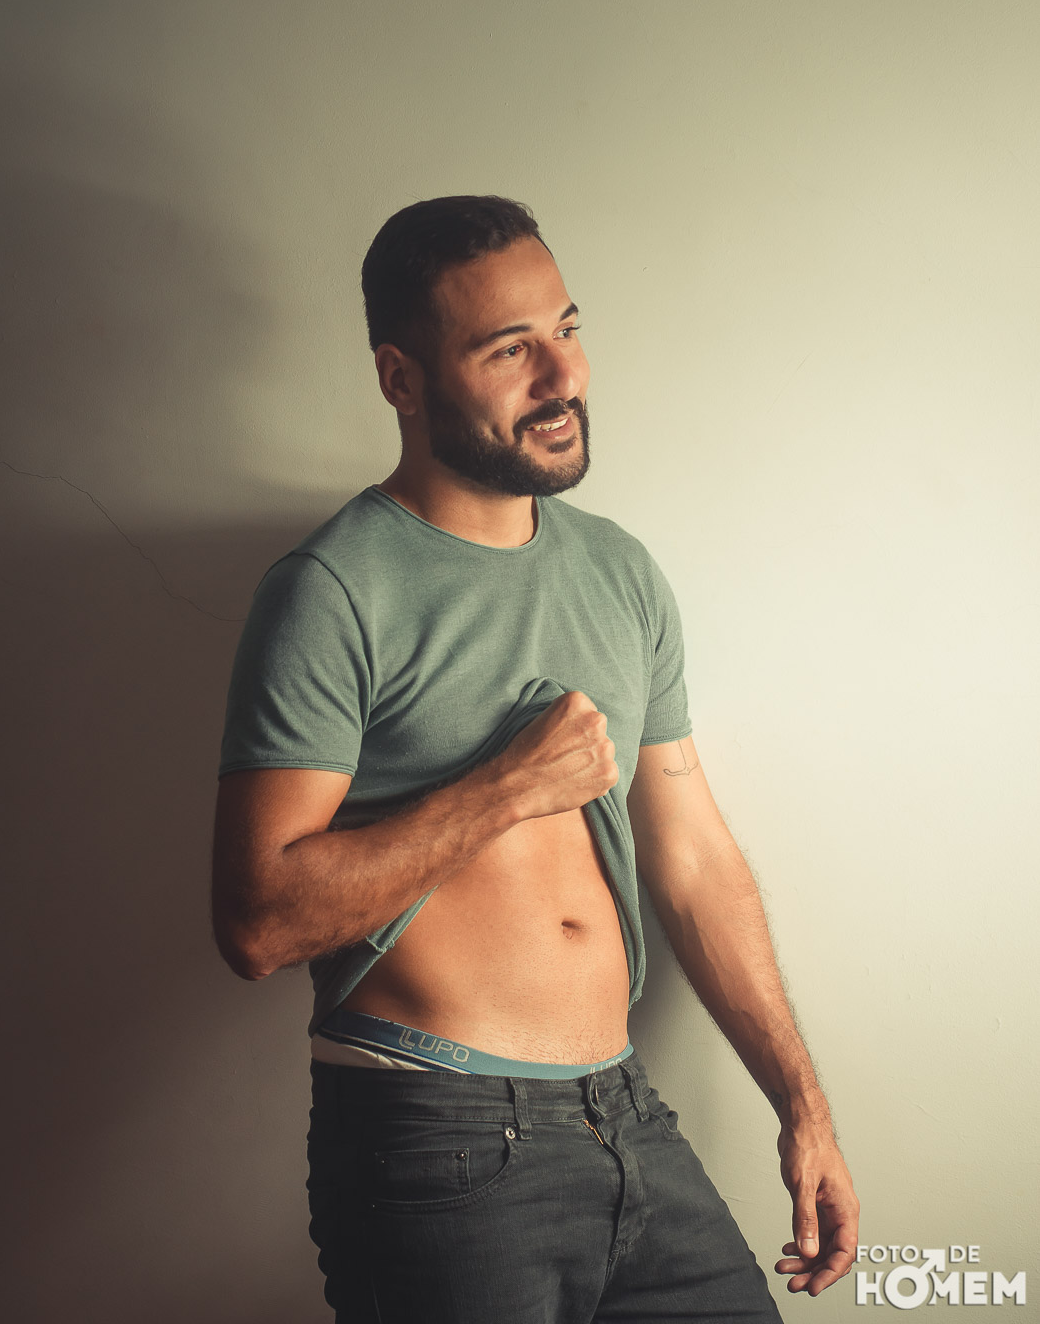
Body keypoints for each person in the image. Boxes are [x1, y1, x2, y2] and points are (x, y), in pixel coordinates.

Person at [211, 194, 859, 1322]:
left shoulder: (620, 572)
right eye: (508, 350)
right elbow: (256, 922)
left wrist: (801, 1104)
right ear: (400, 378)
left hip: (625, 1113)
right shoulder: (331, 590)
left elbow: (693, 861)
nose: (562, 377)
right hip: (433, 1128)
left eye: (565, 329)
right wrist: (503, 789)